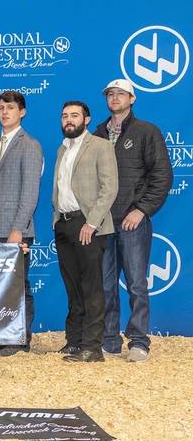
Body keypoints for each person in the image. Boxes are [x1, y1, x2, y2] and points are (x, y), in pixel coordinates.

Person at [94, 79, 172, 362]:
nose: (114, 98)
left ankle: (139, 341)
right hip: (103, 223)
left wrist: (141, 210)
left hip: (132, 221)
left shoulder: (146, 132)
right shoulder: (98, 133)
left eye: (120, 94)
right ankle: (110, 340)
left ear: (132, 98)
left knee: (137, 283)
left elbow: (162, 176)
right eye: (110, 94)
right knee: (105, 285)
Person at [52, 101, 118, 363]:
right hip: (65, 224)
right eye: (65, 115)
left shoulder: (101, 146)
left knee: (91, 288)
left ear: (87, 119)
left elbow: (109, 188)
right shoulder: (62, 149)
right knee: (73, 287)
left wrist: (91, 223)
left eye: (75, 115)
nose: (69, 120)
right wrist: (56, 220)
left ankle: (92, 347)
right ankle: (74, 341)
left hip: (89, 224)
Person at [0, 91, 42, 355]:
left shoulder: (30, 145)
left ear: (22, 112)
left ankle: (19, 338)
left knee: (18, 285)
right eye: (1, 107)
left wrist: (18, 229)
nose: (5, 112)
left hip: (14, 230)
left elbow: (29, 193)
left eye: (11, 108)